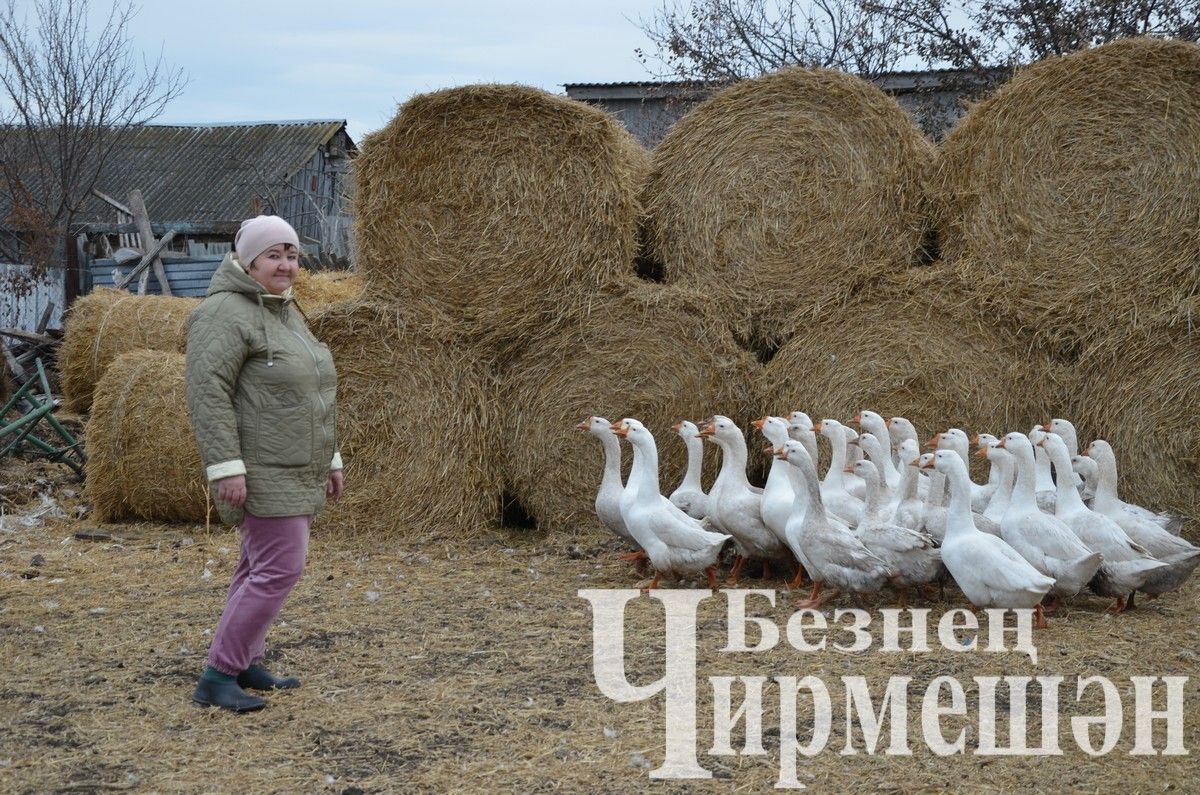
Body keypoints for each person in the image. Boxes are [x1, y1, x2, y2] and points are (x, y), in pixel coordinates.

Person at [185, 215, 343, 712]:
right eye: (273, 254)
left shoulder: (285, 311)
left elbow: (312, 391)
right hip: (263, 465)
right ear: (247, 261)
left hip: (297, 460)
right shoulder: (223, 314)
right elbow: (208, 394)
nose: (286, 264)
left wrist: (331, 457)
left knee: (257, 566)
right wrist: (226, 466)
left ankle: (243, 661)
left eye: (292, 255)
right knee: (280, 568)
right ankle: (217, 677)